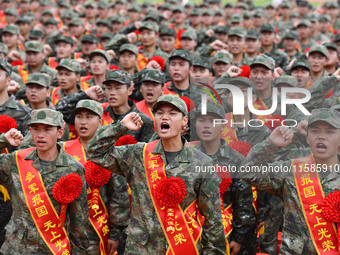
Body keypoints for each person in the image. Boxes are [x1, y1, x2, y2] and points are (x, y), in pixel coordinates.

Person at [87, 94, 226, 254]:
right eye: (160, 113)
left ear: (184, 122)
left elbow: (212, 220)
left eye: (172, 113)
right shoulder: (138, 154)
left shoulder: (202, 163)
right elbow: (95, 152)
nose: (164, 117)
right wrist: (120, 126)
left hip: (181, 247)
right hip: (140, 249)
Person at [242, 108, 340, 254]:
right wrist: (270, 144)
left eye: (330, 132)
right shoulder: (291, 170)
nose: (321, 137)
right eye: (315, 131)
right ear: (307, 138)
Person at [0, 109, 89, 254]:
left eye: (47, 129)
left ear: (60, 132)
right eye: (35, 129)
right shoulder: (16, 161)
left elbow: (79, 218)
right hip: (17, 248)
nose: (40, 135)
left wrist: (78, 250)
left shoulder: (73, 168)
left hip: (51, 247)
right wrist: (3, 140)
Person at [63, 100, 130, 255]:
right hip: (68, 228)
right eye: (79, 116)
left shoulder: (111, 153)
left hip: (98, 229)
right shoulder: (63, 150)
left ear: (100, 122)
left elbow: (119, 195)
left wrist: (115, 233)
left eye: (89, 117)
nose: (83, 122)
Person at [193, 102, 258, 255]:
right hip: (194, 232)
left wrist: (238, 238)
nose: (207, 126)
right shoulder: (189, 156)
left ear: (223, 126)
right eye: (202, 120)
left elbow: (244, 204)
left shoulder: (237, 160)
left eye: (213, 121)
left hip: (225, 234)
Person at [56, 70, 155, 142]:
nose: (112, 93)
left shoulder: (141, 120)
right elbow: (61, 109)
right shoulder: (98, 112)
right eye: (108, 88)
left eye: (117, 88)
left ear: (129, 90)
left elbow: (145, 154)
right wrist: (85, 94)